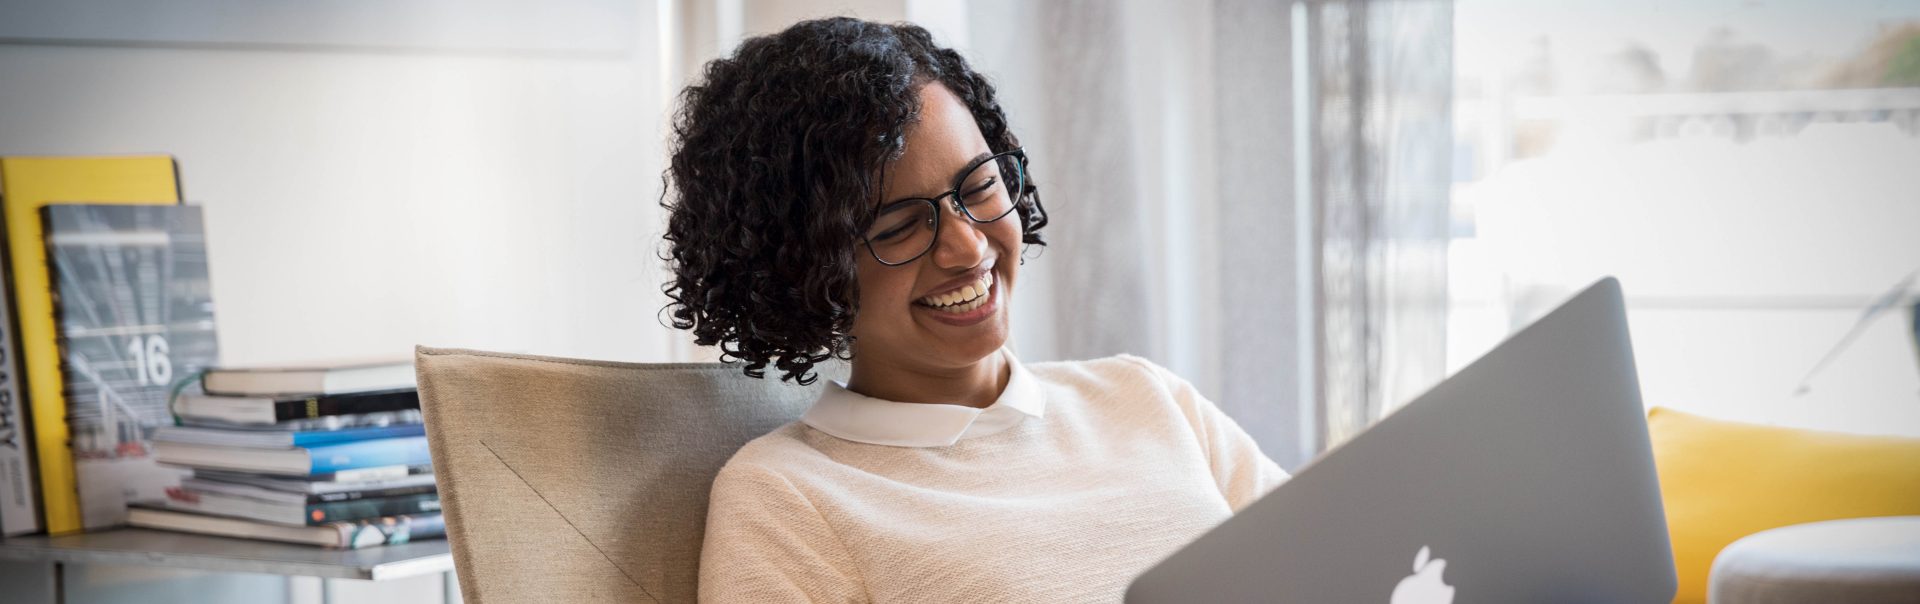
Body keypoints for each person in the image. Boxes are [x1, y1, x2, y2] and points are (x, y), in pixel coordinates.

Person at [661, 17, 1288, 602]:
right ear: (800, 270)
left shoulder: (1147, 399)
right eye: (901, 225)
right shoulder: (787, 497)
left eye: (980, 187)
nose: (967, 247)